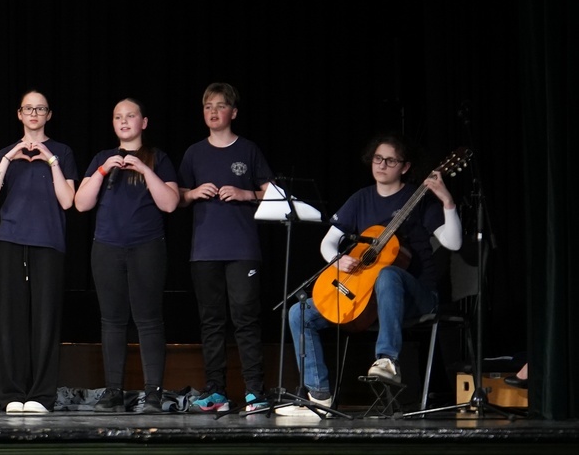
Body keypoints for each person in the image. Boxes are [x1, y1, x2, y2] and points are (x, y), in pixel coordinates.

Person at [278, 135, 460, 420]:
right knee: (300, 313)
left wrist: (447, 201)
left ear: (405, 166)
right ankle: (319, 397)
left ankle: (387, 360)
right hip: (366, 297)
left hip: (417, 296)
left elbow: (453, 243)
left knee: (387, 273)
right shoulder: (361, 198)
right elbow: (328, 243)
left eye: (391, 160)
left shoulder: (419, 198)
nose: (382, 165)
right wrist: (338, 260)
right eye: (378, 158)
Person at [74, 98, 181, 413]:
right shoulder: (102, 158)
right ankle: (113, 392)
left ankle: (153, 393)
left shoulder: (158, 158)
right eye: (118, 116)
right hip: (107, 247)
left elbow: (170, 203)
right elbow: (81, 203)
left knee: (148, 320)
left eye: (130, 116)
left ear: (143, 122)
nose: (123, 121)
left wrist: (144, 169)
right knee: (112, 320)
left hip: (146, 246)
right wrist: (103, 170)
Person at [178, 83, 275, 415]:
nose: (213, 112)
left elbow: (273, 193)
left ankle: (255, 393)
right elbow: (176, 196)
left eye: (220, 106)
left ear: (233, 112)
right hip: (204, 251)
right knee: (211, 322)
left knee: (246, 320)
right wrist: (193, 193)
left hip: (242, 249)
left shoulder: (248, 150)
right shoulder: (194, 153)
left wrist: (246, 194)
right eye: (208, 107)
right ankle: (216, 391)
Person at [0, 91, 77, 415]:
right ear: (19, 114)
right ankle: (12, 393)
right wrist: (10, 157)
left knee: (45, 321)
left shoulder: (62, 151)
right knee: (12, 320)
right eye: (28, 108)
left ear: (49, 114)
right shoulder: (5, 153)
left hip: (48, 242)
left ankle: (41, 395)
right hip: (11, 240)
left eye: (40, 108)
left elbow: (68, 200)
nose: (34, 113)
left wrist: (50, 159)